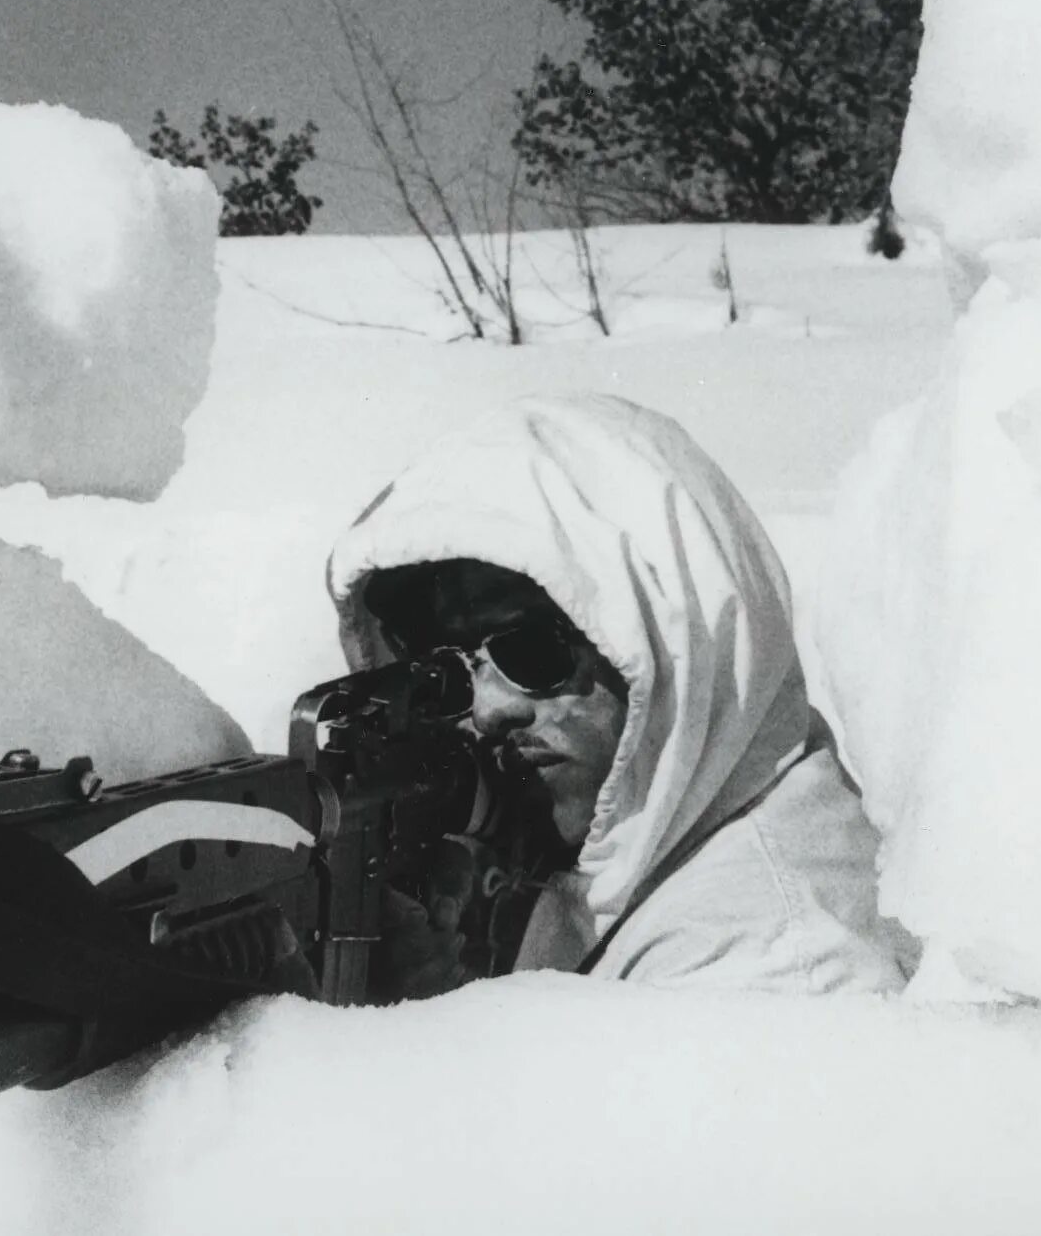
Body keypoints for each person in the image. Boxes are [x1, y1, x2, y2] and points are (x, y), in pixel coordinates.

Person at [329, 393, 912, 997]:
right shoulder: (667, 844)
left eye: (532, 653)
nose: (489, 710)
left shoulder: (767, 966)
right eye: (449, 671)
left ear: (670, 645)